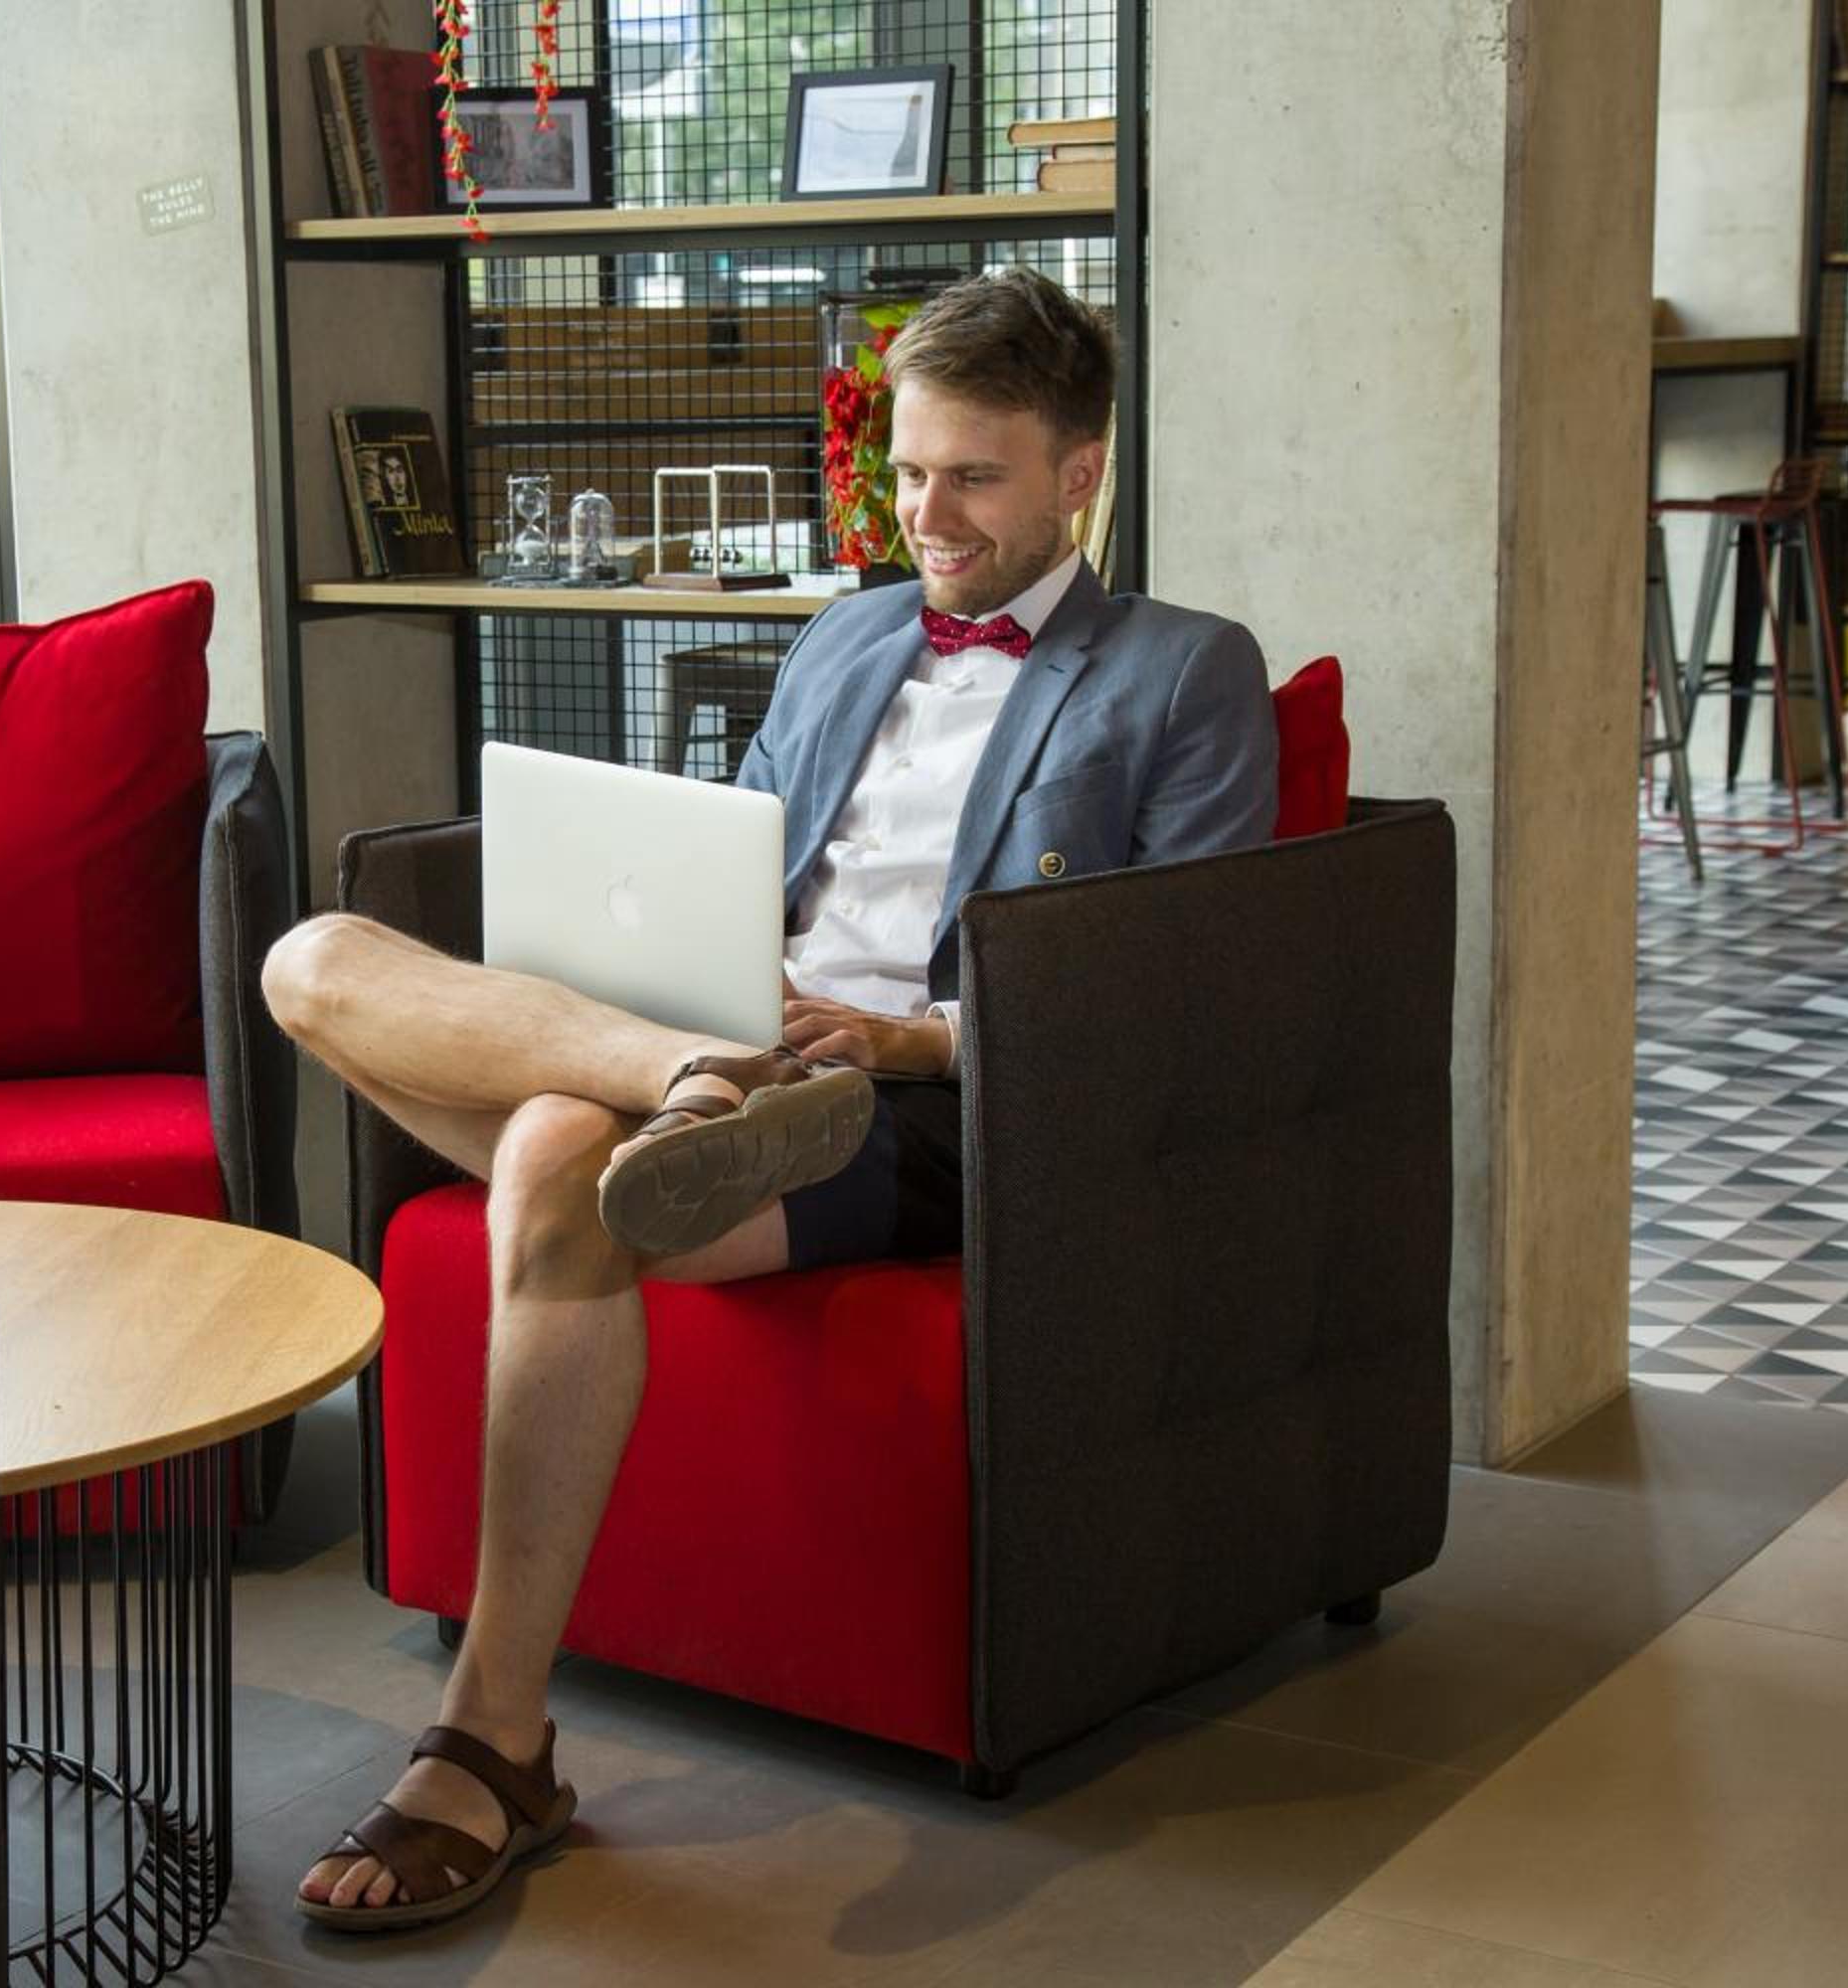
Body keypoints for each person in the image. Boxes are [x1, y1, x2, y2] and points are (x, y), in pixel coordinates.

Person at [263, 266, 1278, 1932]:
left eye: (975, 477)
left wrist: (909, 1041)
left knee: (551, 1150)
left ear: (1081, 473)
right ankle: (669, 1072)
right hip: (740, 1048)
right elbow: (730, 865)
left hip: (919, 1102)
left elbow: (1183, 992)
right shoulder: (846, 634)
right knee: (312, 958)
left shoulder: (1182, 671)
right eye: (909, 469)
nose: (925, 514)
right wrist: (666, 976)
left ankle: (491, 1740)